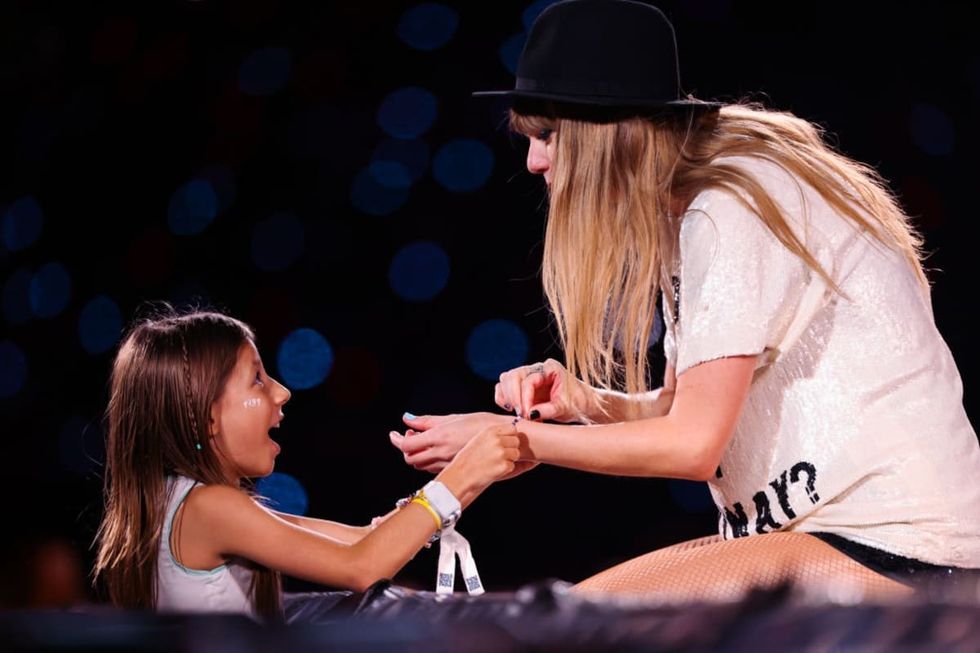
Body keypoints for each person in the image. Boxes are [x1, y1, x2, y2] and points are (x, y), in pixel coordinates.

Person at [390, 0, 980, 600]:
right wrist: (587, 401)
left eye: (547, 135)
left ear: (609, 134)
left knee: (564, 623)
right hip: (830, 536)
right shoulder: (695, 208)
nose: (533, 160)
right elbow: (686, 410)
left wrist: (509, 440)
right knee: (561, 617)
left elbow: (694, 446)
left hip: (898, 546)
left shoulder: (728, 210)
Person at [93, 308, 522, 622]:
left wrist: (477, 469)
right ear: (202, 417)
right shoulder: (209, 508)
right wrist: (462, 474)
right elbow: (361, 568)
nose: (282, 393)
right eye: (257, 380)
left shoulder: (188, 503)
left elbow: (364, 541)